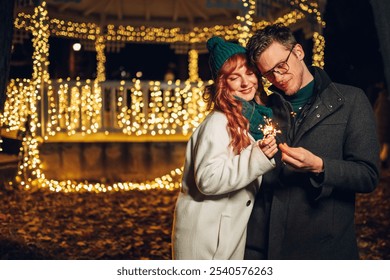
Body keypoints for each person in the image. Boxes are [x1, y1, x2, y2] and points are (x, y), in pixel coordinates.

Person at [244, 23, 380, 260]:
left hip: (324, 249)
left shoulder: (351, 101)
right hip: (262, 247)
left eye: (281, 66)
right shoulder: (264, 108)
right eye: (268, 74)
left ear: (298, 52)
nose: (278, 78)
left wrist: (320, 166)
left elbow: (367, 175)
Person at [171, 36, 278, 260]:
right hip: (207, 239)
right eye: (234, 77)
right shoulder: (218, 123)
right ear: (222, 83)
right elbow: (208, 179)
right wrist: (257, 156)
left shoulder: (248, 119)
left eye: (249, 73)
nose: (245, 82)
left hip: (225, 234)